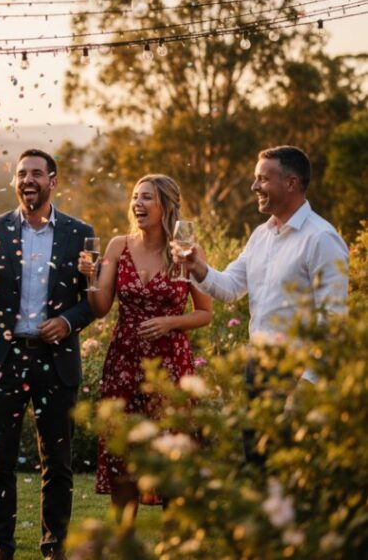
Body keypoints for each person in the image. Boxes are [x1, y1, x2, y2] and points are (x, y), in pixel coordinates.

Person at [0, 149, 95, 560]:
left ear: (53, 181)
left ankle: (54, 546)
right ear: (15, 182)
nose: (28, 179)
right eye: (21, 174)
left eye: (37, 173)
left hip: (56, 359)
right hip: (5, 358)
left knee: (58, 461)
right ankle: (0, 544)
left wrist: (68, 322)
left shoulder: (79, 232)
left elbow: (94, 299)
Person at [174, 145, 348, 464]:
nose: (254, 187)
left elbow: (333, 321)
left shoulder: (321, 239)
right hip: (260, 371)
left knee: (294, 474)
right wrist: (197, 267)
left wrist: (307, 386)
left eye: (262, 179)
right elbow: (229, 289)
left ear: (291, 183)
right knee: (258, 467)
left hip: (298, 376)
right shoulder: (259, 237)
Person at [77, 175, 211, 518]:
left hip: (172, 365)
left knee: (173, 455)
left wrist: (170, 322)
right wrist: (90, 279)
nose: (137, 204)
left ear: (165, 205)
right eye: (135, 197)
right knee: (124, 456)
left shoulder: (186, 250)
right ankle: (123, 545)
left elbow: (205, 313)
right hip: (125, 361)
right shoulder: (117, 247)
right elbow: (101, 308)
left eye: (147, 198)